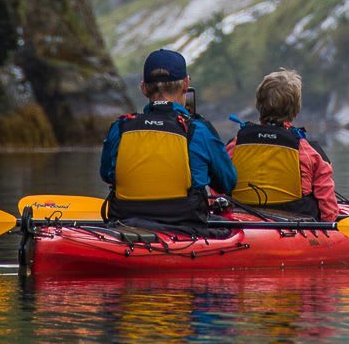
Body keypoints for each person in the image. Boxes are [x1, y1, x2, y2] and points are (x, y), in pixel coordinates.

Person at [99, 48, 237, 225]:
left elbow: (107, 175)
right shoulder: (198, 129)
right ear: (186, 85)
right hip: (185, 225)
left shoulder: (121, 127)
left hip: (126, 221)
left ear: (143, 88)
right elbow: (228, 182)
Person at [227, 68, 336, 221]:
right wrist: (328, 223)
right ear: (295, 110)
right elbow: (328, 206)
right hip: (297, 219)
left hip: (241, 214)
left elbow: (218, 184)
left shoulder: (234, 146)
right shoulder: (308, 151)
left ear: (259, 105)